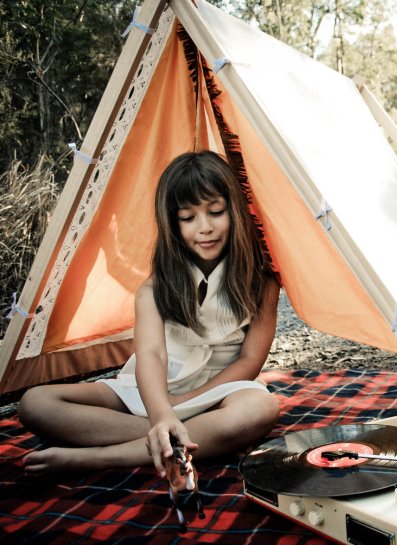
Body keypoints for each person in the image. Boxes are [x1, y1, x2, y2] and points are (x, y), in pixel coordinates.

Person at [19, 150, 281, 478]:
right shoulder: (153, 288)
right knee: (35, 403)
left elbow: (250, 360)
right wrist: (161, 414)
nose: (205, 228)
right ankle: (192, 435)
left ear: (235, 211)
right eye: (188, 218)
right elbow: (151, 355)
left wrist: (183, 403)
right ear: (172, 224)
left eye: (216, 212)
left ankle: (102, 456)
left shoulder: (263, 280)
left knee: (261, 408)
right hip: (152, 388)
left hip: (221, 390)